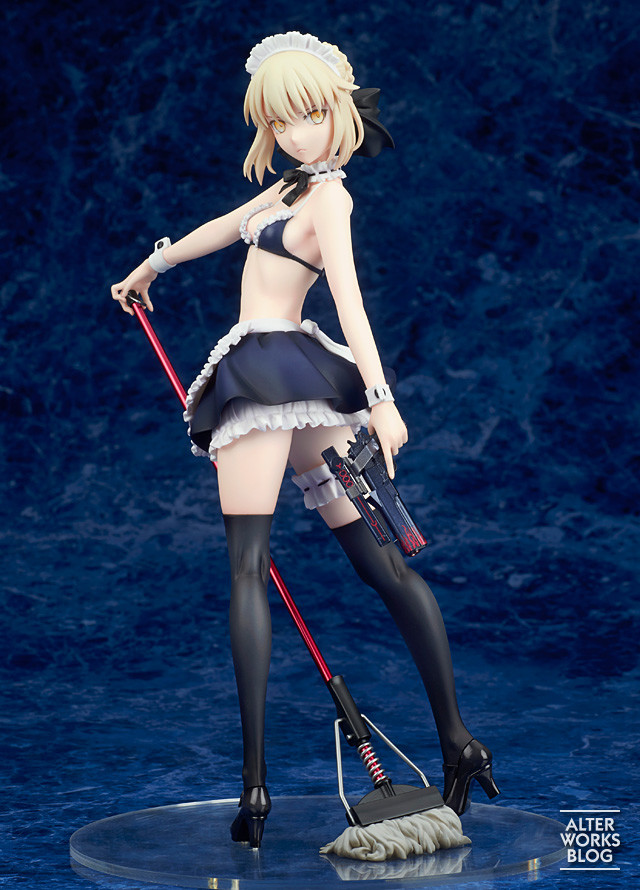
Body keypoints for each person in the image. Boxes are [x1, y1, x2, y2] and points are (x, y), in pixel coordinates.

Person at [111, 31, 498, 849]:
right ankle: (453, 743)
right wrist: (153, 266)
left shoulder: (329, 201)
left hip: (269, 378)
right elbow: (223, 227)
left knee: (272, 570)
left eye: (309, 116)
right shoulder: (287, 189)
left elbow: (350, 301)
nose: (293, 133)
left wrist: (383, 403)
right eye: (278, 121)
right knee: (368, 566)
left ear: (341, 114)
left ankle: (263, 787)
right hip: (294, 382)